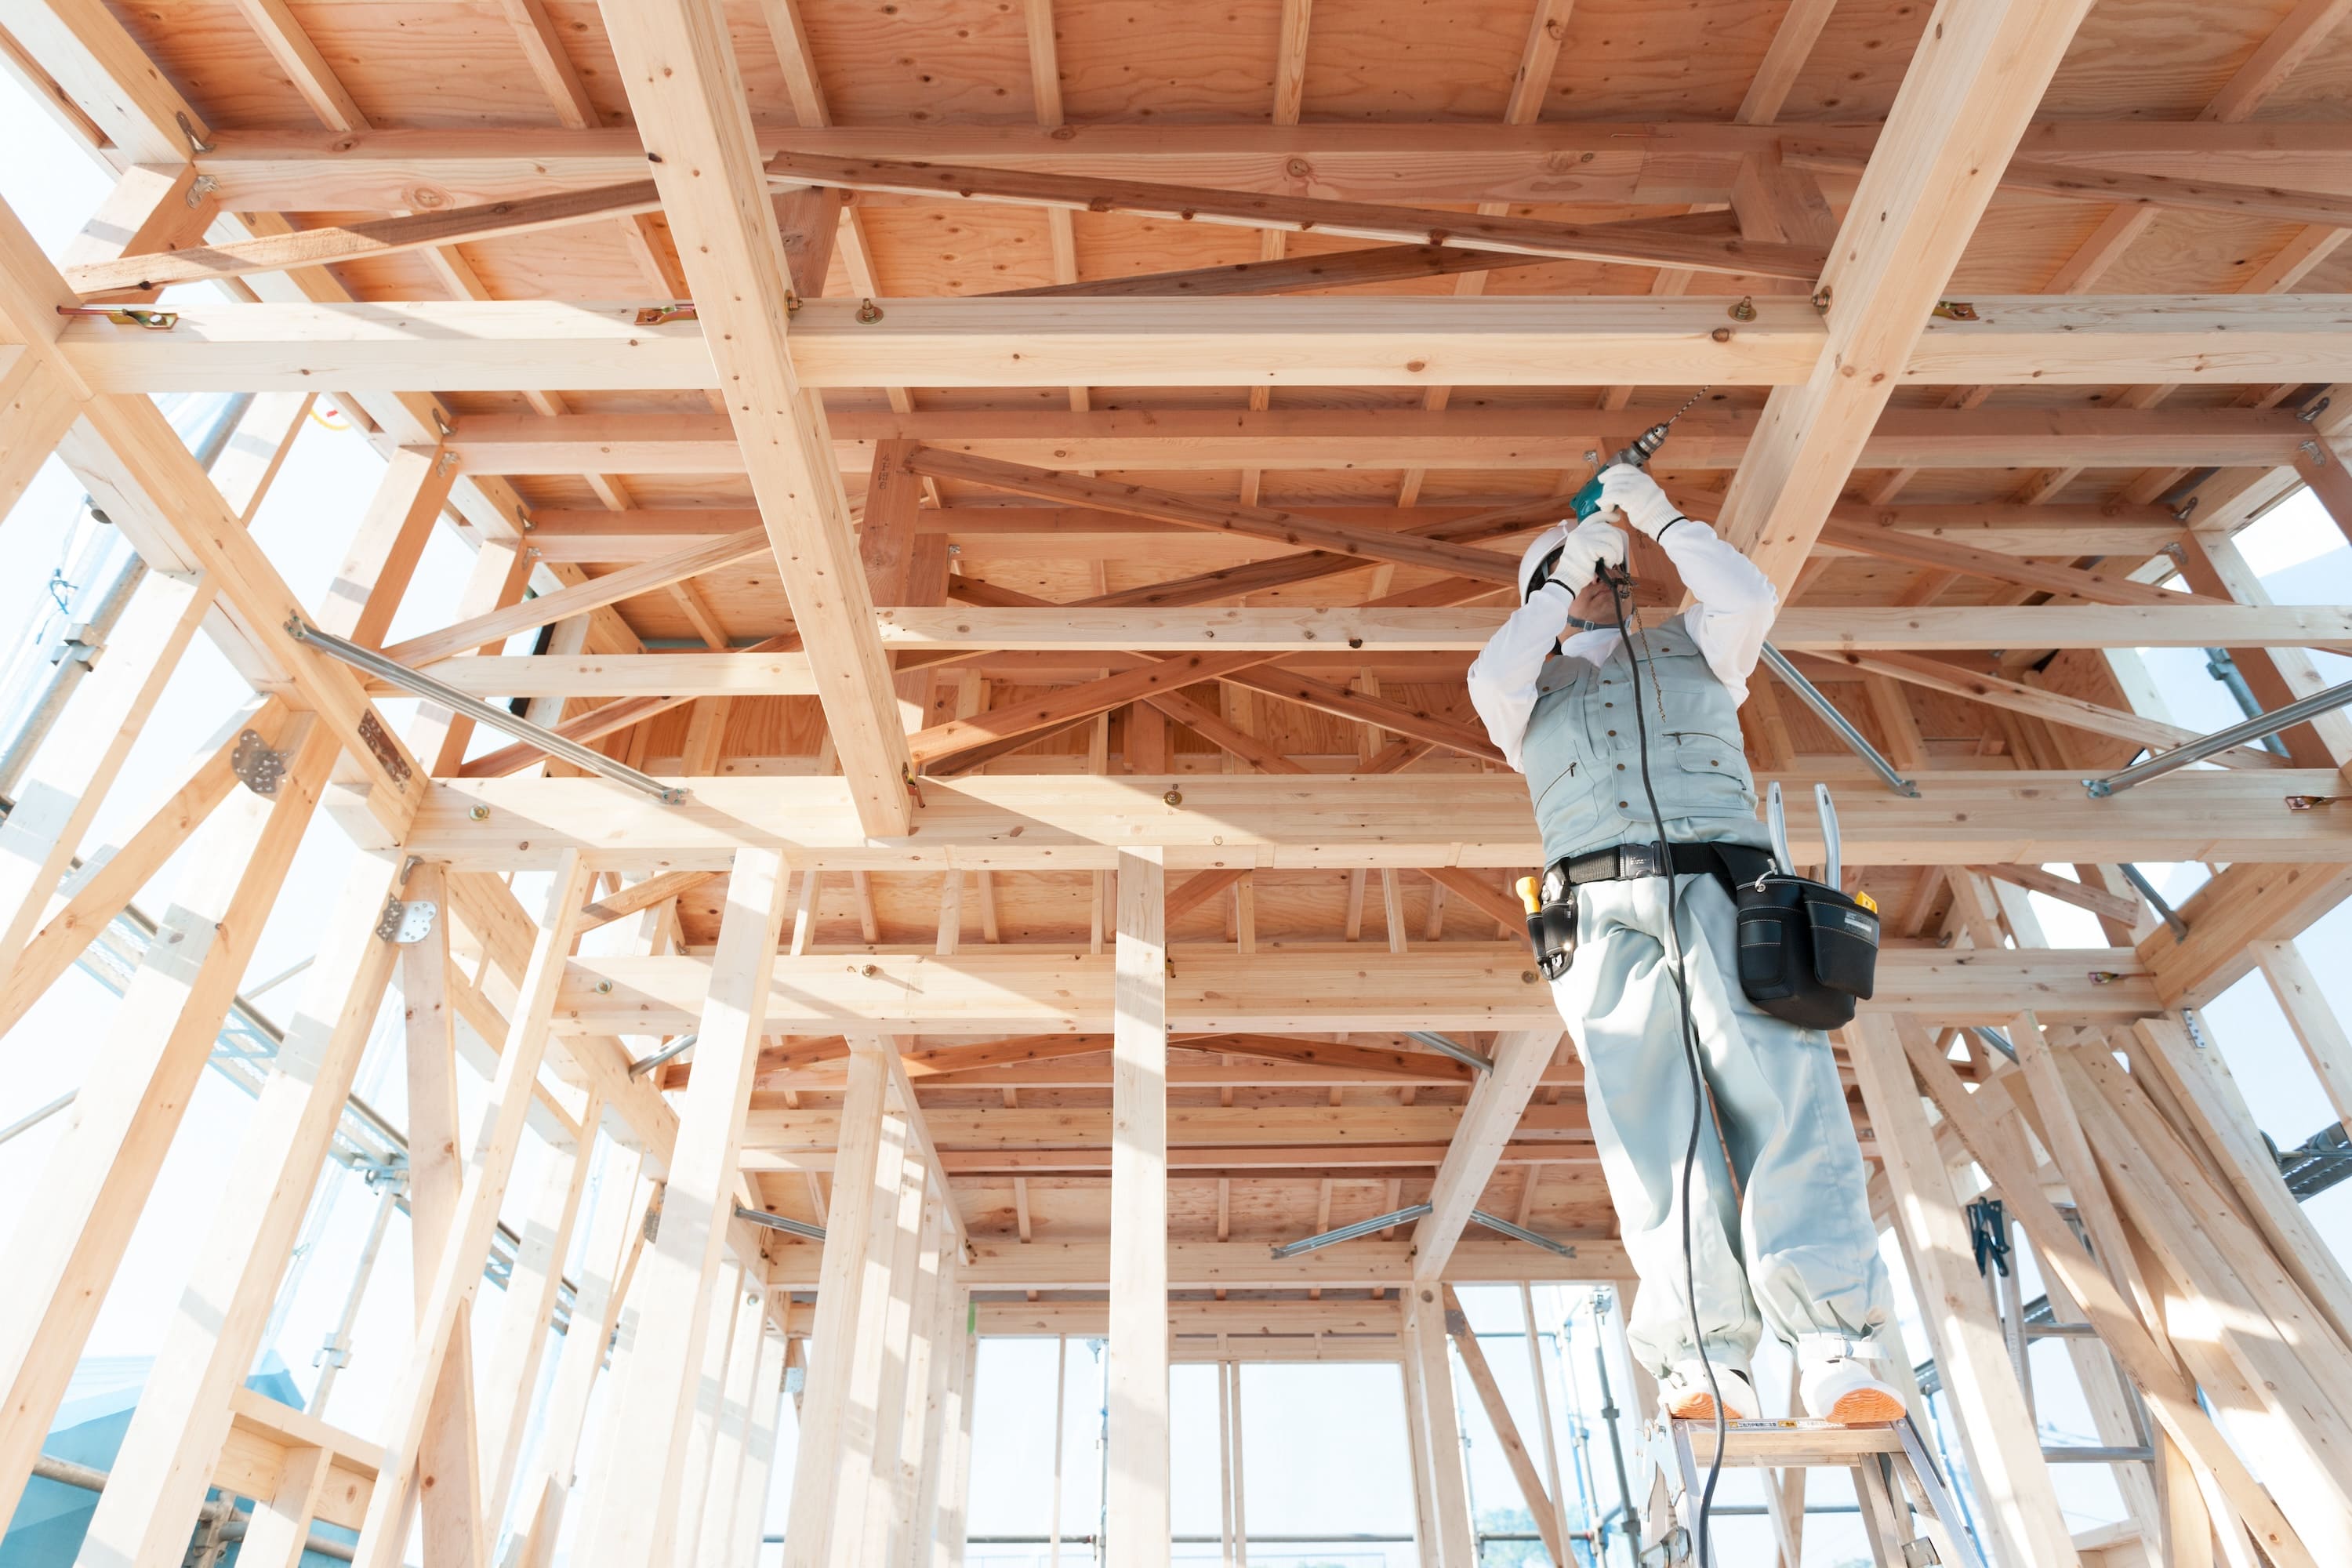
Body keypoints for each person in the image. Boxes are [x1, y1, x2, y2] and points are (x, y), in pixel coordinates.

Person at [1466, 464, 1902, 1425]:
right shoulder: (1520, 691)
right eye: (1572, 575)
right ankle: (1704, 1355)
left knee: (1782, 1093)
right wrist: (1559, 568)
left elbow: (1747, 591)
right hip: (1597, 915)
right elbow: (1491, 668)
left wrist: (1655, 514)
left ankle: (1835, 1338)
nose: (1593, 584)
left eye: (1604, 569)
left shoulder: (1702, 647)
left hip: (1729, 891)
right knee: (1651, 1130)